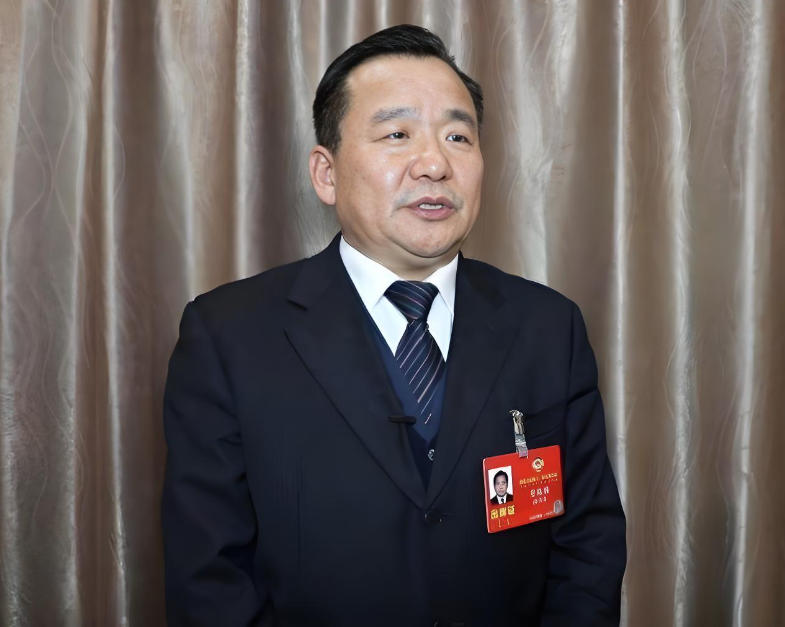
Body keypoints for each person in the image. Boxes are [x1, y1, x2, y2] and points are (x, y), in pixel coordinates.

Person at [162, 24, 626, 626]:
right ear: (326, 173)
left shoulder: (547, 327)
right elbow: (210, 577)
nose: (434, 163)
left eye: (458, 136)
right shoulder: (229, 335)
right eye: (397, 134)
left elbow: (587, 546)